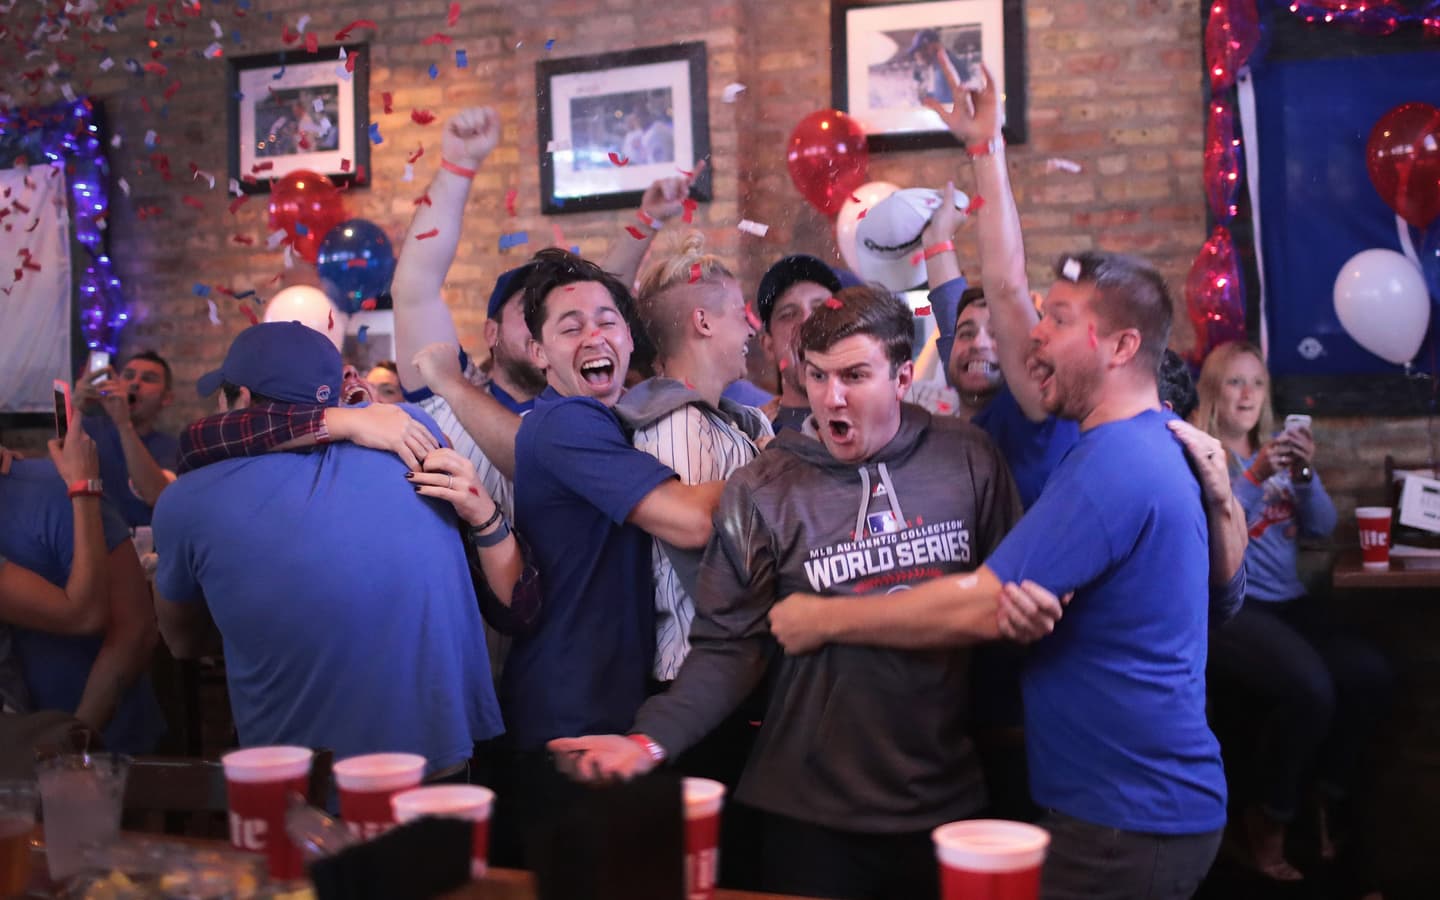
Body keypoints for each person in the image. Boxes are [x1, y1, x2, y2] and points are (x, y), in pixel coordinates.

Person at [550, 286, 1066, 899]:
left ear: (903, 376)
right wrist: (647, 740)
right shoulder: (763, 487)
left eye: (854, 375)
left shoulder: (967, 457)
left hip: (947, 801)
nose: (831, 397)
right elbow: (726, 647)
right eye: (816, 376)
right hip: (809, 812)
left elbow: (1003, 608)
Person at [151, 322, 507, 775]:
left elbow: (183, 642)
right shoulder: (410, 431)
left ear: (238, 398)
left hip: (303, 785)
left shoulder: (188, 498)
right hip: (445, 765)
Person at [1192, 340, 1392, 881]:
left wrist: (1303, 477)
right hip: (1232, 607)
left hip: (1288, 603)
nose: (1248, 394)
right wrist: (1254, 475)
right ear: (1213, 390)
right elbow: (1211, 538)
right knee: (1310, 687)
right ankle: (1268, 818)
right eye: (1234, 381)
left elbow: (1322, 529)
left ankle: (1330, 798)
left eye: (1256, 382)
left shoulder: (1279, 452)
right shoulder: (1203, 455)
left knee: (1369, 672)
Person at [620, 232, 772, 681]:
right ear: (703, 322)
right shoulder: (673, 423)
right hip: (697, 670)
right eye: (740, 313)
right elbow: (705, 559)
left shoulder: (735, 420)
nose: (751, 327)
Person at [0, 424, 162, 754]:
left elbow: (135, 628)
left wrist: (78, 739)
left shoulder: (48, 489)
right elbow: (84, 614)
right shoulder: (60, 488)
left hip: (103, 749)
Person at [73, 350, 179, 527]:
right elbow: (57, 469)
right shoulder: (88, 429)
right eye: (128, 376)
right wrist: (75, 408)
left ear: (166, 398)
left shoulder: (172, 448)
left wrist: (124, 424)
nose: (135, 383)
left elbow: (155, 496)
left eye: (148, 379)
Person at [755, 255, 843, 432]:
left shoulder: (882, 429)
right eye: (788, 314)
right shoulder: (751, 442)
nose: (807, 321)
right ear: (769, 346)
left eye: (821, 309)